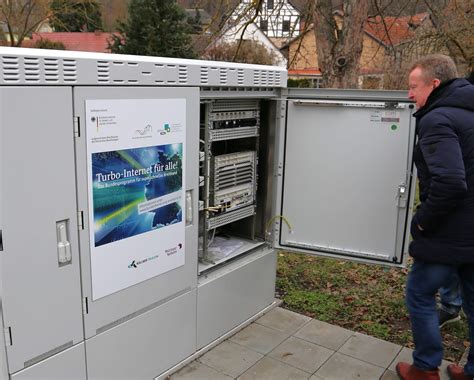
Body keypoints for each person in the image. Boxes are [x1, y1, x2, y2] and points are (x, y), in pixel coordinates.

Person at [395, 55, 474, 380]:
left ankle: (425, 368)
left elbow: (450, 182)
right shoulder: (468, 113)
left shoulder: (437, 119)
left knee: (419, 293)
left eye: (414, 87)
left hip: (448, 232)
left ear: (434, 84)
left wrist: (422, 221)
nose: (410, 95)